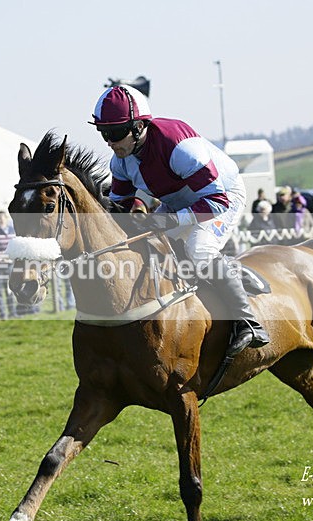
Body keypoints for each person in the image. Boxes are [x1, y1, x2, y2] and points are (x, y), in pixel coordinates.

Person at [91, 84, 269, 354]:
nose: (110, 142)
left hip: (222, 196)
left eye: (115, 133)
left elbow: (216, 201)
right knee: (144, 245)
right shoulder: (121, 162)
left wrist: (169, 221)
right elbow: (121, 207)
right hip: (179, 201)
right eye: (103, 133)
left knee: (199, 252)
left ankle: (249, 322)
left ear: (139, 127)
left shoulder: (179, 147)